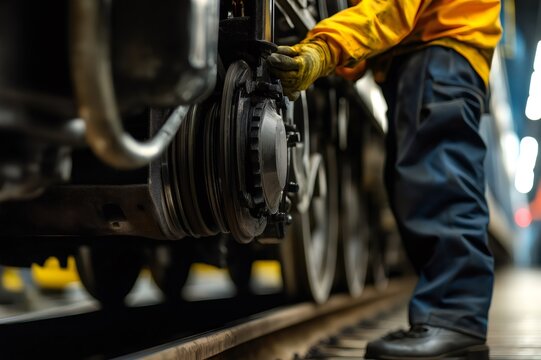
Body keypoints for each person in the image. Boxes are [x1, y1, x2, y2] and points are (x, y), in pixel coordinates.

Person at [268, 1, 501, 359]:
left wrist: (327, 47)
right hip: (430, 52)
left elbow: (392, 6)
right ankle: (446, 318)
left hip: (439, 52)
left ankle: (455, 322)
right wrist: (350, 56)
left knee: (440, 186)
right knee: (422, 185)